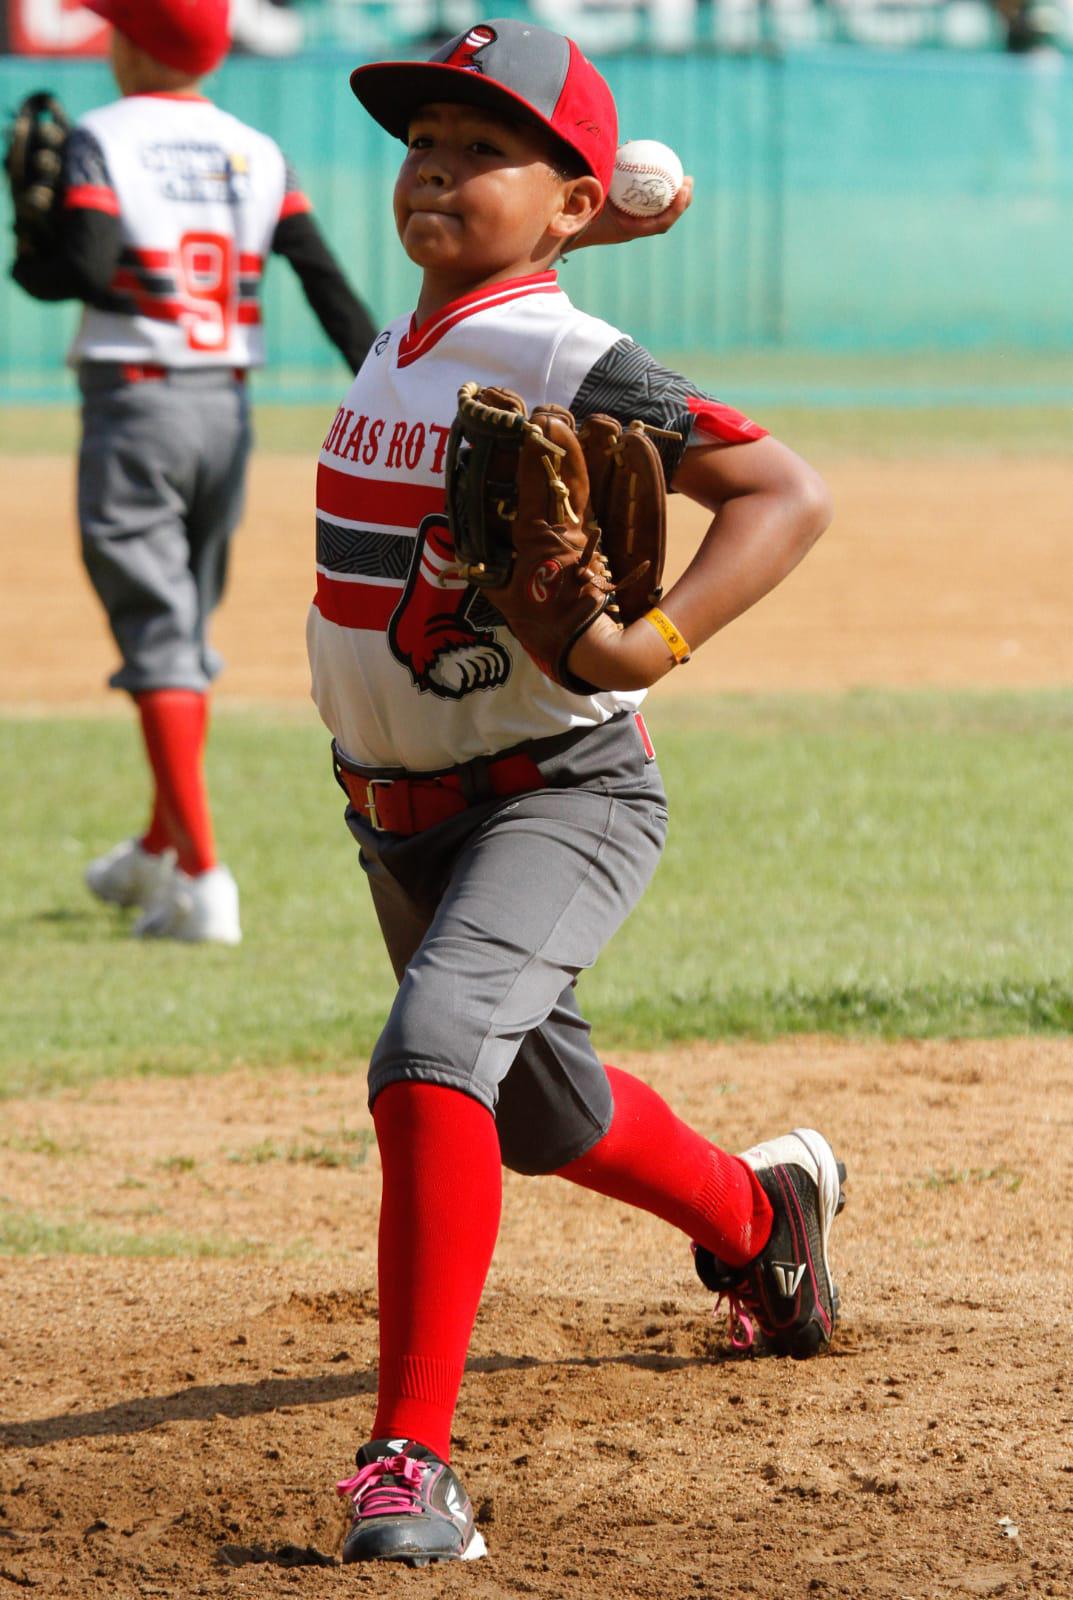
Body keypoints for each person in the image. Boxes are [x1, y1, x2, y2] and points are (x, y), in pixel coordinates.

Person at [308, 17, 841, 1566]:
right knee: (546, 1115)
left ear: (568, 201)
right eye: (423, 144)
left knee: (430, 1056)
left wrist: (645, 641)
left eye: (481, 150)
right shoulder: (417, 335)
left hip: (558, 791)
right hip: (398, 817)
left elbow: (783, 491)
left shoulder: (567, 356)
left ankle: (408, 1463)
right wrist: (559, 209)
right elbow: (503, 292)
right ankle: (763, 1223)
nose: (435, 170)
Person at [8, 0, 378, 943]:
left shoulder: (103, 137)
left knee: (158, 636)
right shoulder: (257, 150)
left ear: (133, 45)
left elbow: (84, 271)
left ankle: (205, 881)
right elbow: (324, 281)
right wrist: (384, 380)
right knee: (184, 628)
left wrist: (33, 240)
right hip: (225, 413)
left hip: (137, 409)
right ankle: (158, 845)